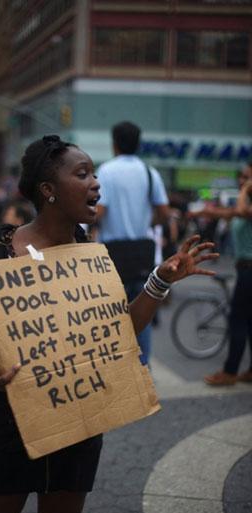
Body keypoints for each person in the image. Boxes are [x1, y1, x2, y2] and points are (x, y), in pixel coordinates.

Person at [0, 135, 218, 513]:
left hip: (79, 422)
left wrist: (161, 279)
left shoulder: (91, 256)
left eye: (94, 173)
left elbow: (121, 330)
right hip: (7, 424)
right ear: (48, 191)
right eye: (83, 173)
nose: (96, 183)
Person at [96, 121, 170, 365]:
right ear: (138, 144)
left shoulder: (106, 171)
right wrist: (146, 221)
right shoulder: (150, 172)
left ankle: (114, 364)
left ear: (114, 143)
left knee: (110, 312)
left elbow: (100, 211)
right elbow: (164, 212)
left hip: (112, 254)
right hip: (141, 252)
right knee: (143, 310)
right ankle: (142, 366)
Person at [190, 163, 252, 386]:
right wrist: (203, 212)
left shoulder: (247, 202)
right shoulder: (245, 203)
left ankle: (230, 371)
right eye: (240, 177)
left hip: (250, 271)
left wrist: (245, 189)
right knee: (248, 321)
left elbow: (242, 211)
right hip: (245, 269)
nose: (241, 180)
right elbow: (230, 212)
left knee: (237, 320)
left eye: (246, 176)